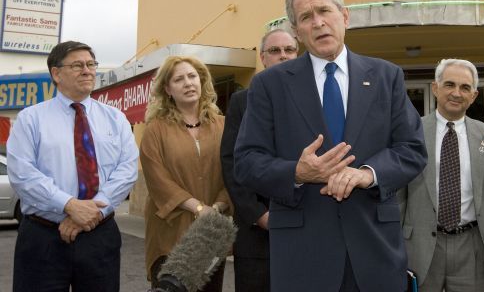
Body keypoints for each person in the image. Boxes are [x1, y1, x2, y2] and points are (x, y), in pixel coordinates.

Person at [234, 0, 427, 292]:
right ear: (296, 31)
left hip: (374, 251)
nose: (318, 22)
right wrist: (296, 172)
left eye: (324, 11)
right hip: (302, 256)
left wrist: (368, 174)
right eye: (306, 17)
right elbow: (245, 161)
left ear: (345, 16)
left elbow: (412, 149)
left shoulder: (386, 76)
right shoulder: (269, 85)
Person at [7, 40, 139, 291]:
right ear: (56, 74)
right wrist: (69, 205)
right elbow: (22, 174)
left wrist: (90, 213)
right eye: (78, 65)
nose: (87, 70)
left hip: (100, 236)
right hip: (43, 238)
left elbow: (127, 169)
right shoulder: (30, 118)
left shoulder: (116, 118)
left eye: (91, 64)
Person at [399, 59, 484, 292]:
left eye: (465, 87)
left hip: (472, 247)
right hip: (420, 246)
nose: (456, 93)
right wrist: (398, 242)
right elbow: (399, 195)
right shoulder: (410, 133)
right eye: (449, 84)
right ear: (435, 88)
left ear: (474, 96)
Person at [140, 55, 232, 291]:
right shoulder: (155, 129)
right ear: (168, 89)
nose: (188, 83)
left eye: (192, 76)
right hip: (169, 232)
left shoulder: (225, 125)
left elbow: (234, 171)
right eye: (179, 79)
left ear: (202, 82)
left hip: (209, 233)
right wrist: (199, 208)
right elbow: (157, 179)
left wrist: (219, 206)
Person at [220, 29, 299, 291]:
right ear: (263, 58)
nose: (283, 56)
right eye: (275, 51)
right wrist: (258, 214)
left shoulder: (315, 98)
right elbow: (232, 162)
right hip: (256, 234)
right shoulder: (242, 101)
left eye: (289, 50)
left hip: (306, 227)